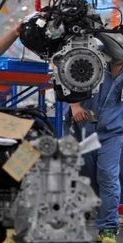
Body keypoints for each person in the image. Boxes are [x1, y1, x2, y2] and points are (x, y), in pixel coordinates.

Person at [70, 50, 123, 243]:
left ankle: (108, 228)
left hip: (113, 132)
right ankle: (90, 214)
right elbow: (65, 77)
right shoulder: (93, 58)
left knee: (108, 176)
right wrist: (74, 105)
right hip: (84, 129)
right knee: (86, 175)